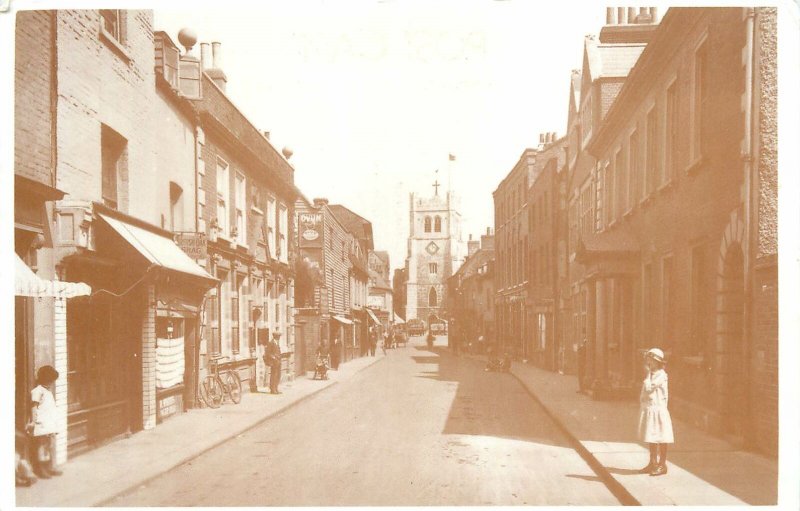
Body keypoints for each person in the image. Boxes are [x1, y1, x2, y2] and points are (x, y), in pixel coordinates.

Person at [639, 348, 674, 476]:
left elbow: (649, 388)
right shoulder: (653, 374)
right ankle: (653, 462)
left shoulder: (661, 375)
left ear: (657, 362)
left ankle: (662, 464)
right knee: (651, 436)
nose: (649, 363)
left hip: (658, 410)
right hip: (651, 409)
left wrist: (648, 374)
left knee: (661, 436)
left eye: (651, 360)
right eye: (648, 360)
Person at [27, 365, 62, 479]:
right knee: (42, 447)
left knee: (49, 446)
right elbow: (34, 407)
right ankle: (41, 469)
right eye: (50, 380)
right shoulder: (37, 391)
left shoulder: (48, 391)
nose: (51, 383)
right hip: (41, 424)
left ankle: (49, 467)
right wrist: (33, 421)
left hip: (49, 423)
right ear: (44, 379)